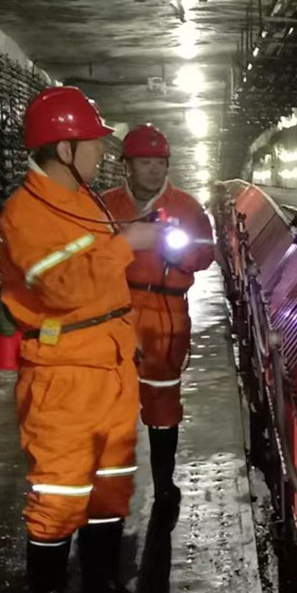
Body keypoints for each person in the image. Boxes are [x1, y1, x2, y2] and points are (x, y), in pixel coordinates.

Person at [0, 86, 163, 593]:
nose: (102, 151)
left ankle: (102, 590)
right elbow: (63, 286)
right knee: (61, 493)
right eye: (93, 143)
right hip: (65, 373)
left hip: (110, 364)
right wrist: (128, 242)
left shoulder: (85, 200)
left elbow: (101, 280)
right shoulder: (26, 213)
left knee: (111, 486)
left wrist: (129, 332)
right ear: (64, 148)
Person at [101, 124, 216, 506]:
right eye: (144, 162)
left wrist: (180, 254)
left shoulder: (186, 206)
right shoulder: (105, 206)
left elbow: (207, 252)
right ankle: (110, 488)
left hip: (166, 312)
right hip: (115, 311)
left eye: (159, 162)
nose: (153, 169)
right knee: (110, 399)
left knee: (163, 400)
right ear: (127, 166)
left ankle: (164, 484)